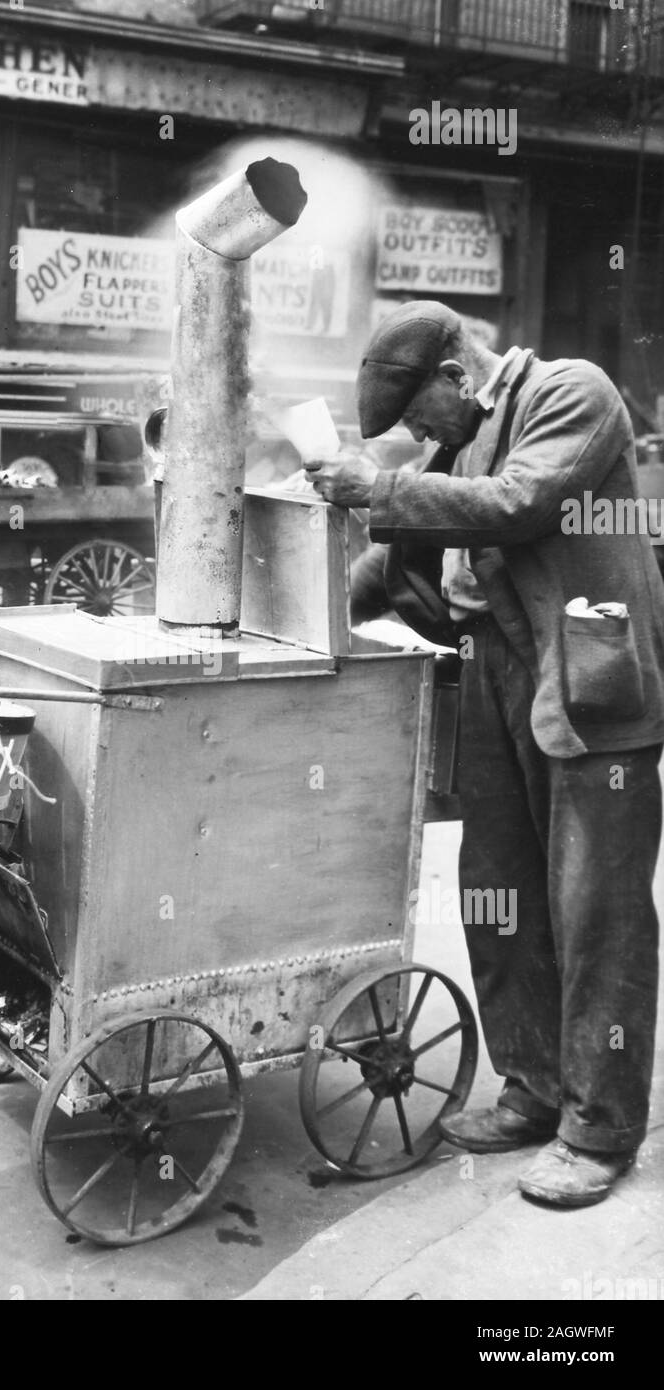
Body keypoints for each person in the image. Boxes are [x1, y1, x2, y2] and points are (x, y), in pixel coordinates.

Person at [307, 299, 664, 1208]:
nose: (419, 436)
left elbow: (521, 504)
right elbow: (392, 571)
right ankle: (533, 1089)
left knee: (595, 911)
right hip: (497, 686)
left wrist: (376, 489)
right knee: (497, 896)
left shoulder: (570, 395)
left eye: (421, 415)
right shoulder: (456, 445)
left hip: (586, 686)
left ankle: (597, 1130)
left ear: (456, 375)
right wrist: (302, 616)